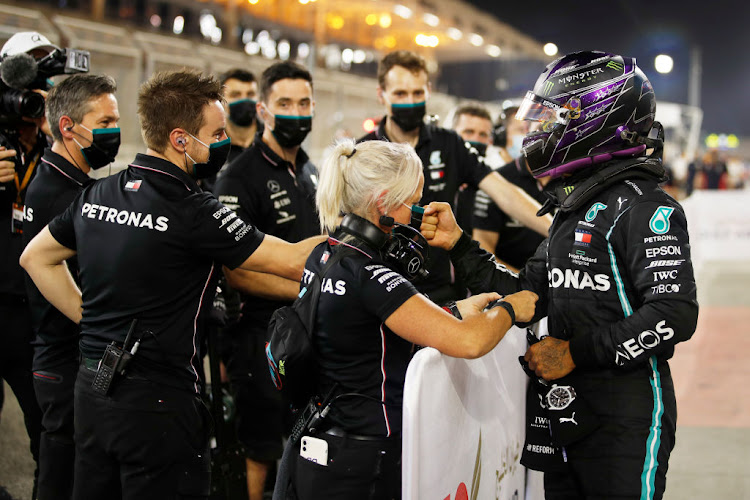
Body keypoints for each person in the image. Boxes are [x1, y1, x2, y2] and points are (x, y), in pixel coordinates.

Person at [20, 68, 325, 500]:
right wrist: (360, 235)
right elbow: (295, 259)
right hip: (159, 403)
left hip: (93, 388)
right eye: (216, 133)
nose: (224, 142)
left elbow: (35, 257)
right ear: (181, 139)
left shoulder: (100, 193)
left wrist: (89, 320)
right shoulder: (194, 209)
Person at [422, 51, 698, 500]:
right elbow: (524, 296)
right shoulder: (575, 209)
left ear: (597, 120)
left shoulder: (646, 207)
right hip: (566, 414)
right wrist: (459, 244)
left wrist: (575, 353)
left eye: (555, 117)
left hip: (626, 417)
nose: (539, 129)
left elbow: (674, 314)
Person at [285, 138, 538, 499]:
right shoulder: (370, 274)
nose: (417, 214)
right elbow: (469, 342)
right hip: (363, 458)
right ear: (383, 202)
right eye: (413, 203)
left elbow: (368, 329)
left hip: (326, 443)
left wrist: (451, 313)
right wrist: (511, 308)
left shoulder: (324, 254)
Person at [359, 50, 551, 303]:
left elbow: (504, 193)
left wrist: (557, 229)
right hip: (381, 290)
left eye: (417, 93)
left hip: (444, 292)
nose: (410, 101)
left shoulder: (449, 144)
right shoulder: (364, 152)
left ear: (429, 90)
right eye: (400, 94)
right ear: (381, 94)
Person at [214, 60, 319, 500]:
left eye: (304, 102)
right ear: (262, 109)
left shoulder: (314, 170)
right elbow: (236, 271)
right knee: (261, 444)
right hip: (260, 333)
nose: (296, 111)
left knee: (308, 438)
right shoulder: (238, 176)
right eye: (284, 103)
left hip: (313, 328)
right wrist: (314, 290)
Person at [22, 73, 119, 499]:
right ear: (67, 127)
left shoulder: (74, 183)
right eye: (105, 122)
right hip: (62, 357)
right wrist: (94, 321)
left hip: (70, 354)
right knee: (59, 474)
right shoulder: (53, 192)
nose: (114, 132)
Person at [0, 31, 59, 494]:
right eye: (32, 97)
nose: (37, 108)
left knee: (48, 430)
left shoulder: (55, 154)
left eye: (46, 98)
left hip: (32, 311)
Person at [200, 68, 260, 193]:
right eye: (235, 95)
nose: (244, 100)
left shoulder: (272, 143)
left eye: (250, 94)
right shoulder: (209, 146)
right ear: (221, 101)